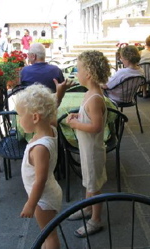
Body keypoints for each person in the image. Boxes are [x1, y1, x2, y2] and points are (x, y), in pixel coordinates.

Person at [65, 50, 110, 238]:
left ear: (88, 74)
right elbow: (90, 117)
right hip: (86, 148)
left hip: (92, 150)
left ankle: (96, 220)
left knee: (94, 184)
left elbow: (97, 126)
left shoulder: (95, 98)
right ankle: (87, 208)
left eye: (79, 69)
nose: (77, 72)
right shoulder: (90, 94)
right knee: (89, 181)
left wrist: (75, 124)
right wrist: (79, 116)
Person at [17, 84, 62, 249]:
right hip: (49, 192)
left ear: (35, 117)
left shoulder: (40, 148)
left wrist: (31, 203)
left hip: (43, 199)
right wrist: (60, 94)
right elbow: (51, 112)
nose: (19, 119)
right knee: (47, 232)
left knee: (49, 235)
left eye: (20, 115)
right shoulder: (50, 129)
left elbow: (40, 180)